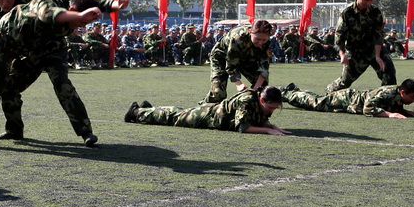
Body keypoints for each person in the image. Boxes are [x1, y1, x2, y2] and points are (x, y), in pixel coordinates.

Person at [0, 0, 130, 146]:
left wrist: (116, 4)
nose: (82, 26)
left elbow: (98, 3)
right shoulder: (47, 3)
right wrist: (79, 16)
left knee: (62, 83)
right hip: (3, 41)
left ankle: (85, 132)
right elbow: (47, 14)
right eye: (79, 22)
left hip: (47, 46)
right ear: (71, 9)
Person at [124, 85, 290, 135]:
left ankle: (148, 110)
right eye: (270, 107)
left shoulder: (259, 101)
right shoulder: (247, 101)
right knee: (174, 117)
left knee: (178, 112)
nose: (271, 111)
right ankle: (137, 112)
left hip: (213, 113)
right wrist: (268, 131)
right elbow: (243, 127)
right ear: (262, 100)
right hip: (207, 117)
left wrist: (272, 126)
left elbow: (256, 119)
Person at [327, 0, 396, 92]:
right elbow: (340, 35)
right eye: (366, 0)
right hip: (355, 52)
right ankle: (329, 93)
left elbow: (378, 34)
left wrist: (378, 56)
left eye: (371, 0)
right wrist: (342, 54)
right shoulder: (347, 12)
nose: (368, 3)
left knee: (389, 73)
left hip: (373, 49)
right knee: (345, 81)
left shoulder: (375, 12)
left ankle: (387, 98)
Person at [202, 19, 273, 103]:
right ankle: (205, 106)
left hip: (245, 58)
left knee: (262, 89)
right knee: (218, 93)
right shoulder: (238, 38)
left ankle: (251, 106)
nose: (260, 42)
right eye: (257, 39)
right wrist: (238, 84)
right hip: (221, 58)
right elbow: (231, 65)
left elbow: (264, 67)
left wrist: (256, 88)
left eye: (264, 40)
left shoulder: (266, 42)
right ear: (251, 32)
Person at [282, 78, 414, 118]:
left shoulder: (397, 94)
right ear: (403, 92)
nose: (413, 100)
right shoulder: (386, 92)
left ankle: (296, 91)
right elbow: (368, 108)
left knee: (318, 100)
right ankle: (286, 93)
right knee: (316, 103)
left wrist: (404, 111)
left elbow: (392, 105)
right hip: (346, 99)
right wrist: (390, 115)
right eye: (412, 97)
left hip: (351, 101)